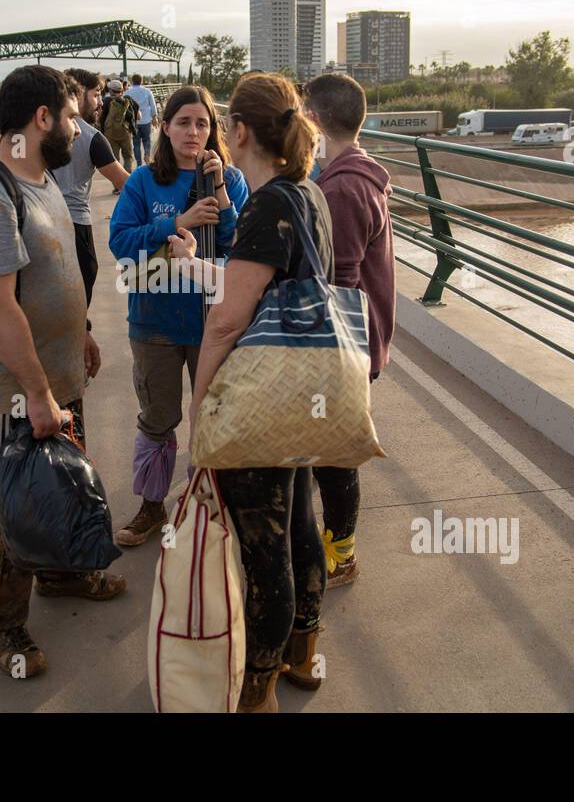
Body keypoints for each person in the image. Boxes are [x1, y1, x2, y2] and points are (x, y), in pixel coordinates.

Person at [0, 65, 124, 678]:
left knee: (58, 484)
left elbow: (54, 276)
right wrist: (39, 394)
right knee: (4, 505)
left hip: (57, 373)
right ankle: (3, 625)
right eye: (73, 116)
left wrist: (82, 336)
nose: (80, 128)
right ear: (43, 118)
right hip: (10, 391)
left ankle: (62, 573)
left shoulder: (41, 178)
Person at [171, 72, 333, 712]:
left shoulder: (266, 203)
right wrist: (201, 266)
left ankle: (256, 688)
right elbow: (264, 283)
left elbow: (229, 318)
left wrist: (200, 402)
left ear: (238, 131)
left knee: (266, 553)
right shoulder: (306, 194)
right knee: (299, 524)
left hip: (261, 396)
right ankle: (302, 654)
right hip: (303, 388)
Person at [108, 86, 248, 547]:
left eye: (203, 123)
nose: (193, 132)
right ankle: (151, 506)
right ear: (164, 127)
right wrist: (178, 221)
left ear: (215, 130)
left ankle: (205, 503)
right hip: (156, 323)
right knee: (158, 415)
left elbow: (244, 249)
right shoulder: (143, 182)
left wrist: (223, 195)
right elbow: (121, 243)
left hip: (216, 322)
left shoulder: (230, 178)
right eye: (183, 122)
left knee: (211, 416)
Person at [303, 73, 396, 588]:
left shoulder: (341, 189)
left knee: (334, 458)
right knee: (330, 452)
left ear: (314, 120)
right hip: (361, 339)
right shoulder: (355, 174)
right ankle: (338, 544)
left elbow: (338, 284)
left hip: (346, 345)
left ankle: (341, 554)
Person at [54, 68, 129, 306]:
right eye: (96, 94)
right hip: (75, 226)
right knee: (80, 292)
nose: (99, 102)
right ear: (79, 93)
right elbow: (126, 183)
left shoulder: (42, 129)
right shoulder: (90, 136)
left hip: (40, 221)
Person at [101, 79, 138, 173]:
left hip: (110, 134)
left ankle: (118, 184)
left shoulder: (106, 101)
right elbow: (137, 110)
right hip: (125, 133)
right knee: (128, 157)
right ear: (122, 90)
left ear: (110, 90)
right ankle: (127, 179)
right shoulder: (128, 100)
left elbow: (101, 118)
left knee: (114, 160)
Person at [125, 74, 158, 168]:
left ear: (132, 81)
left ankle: (139, 164)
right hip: (146, 120)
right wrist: (154, 116)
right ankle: (147, 155)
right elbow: (153, 105)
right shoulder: (147, 91)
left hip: (134, 121)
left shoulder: (128, 92)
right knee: (147, 140)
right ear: (142, 81)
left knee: (136, 143)